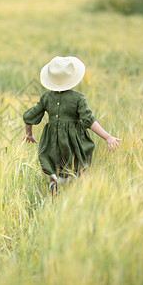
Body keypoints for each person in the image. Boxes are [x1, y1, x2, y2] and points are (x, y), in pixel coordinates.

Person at [22, 56, 121, 194]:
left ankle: (54, 187)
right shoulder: (78, 98)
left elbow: (29, 116)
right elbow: (89, 120)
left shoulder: (46, 97)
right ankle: (78, 192)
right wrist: (107, 136)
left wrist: (29, 134)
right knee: (79, 163)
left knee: (53, 161)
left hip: (51, 140)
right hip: (74, 140)